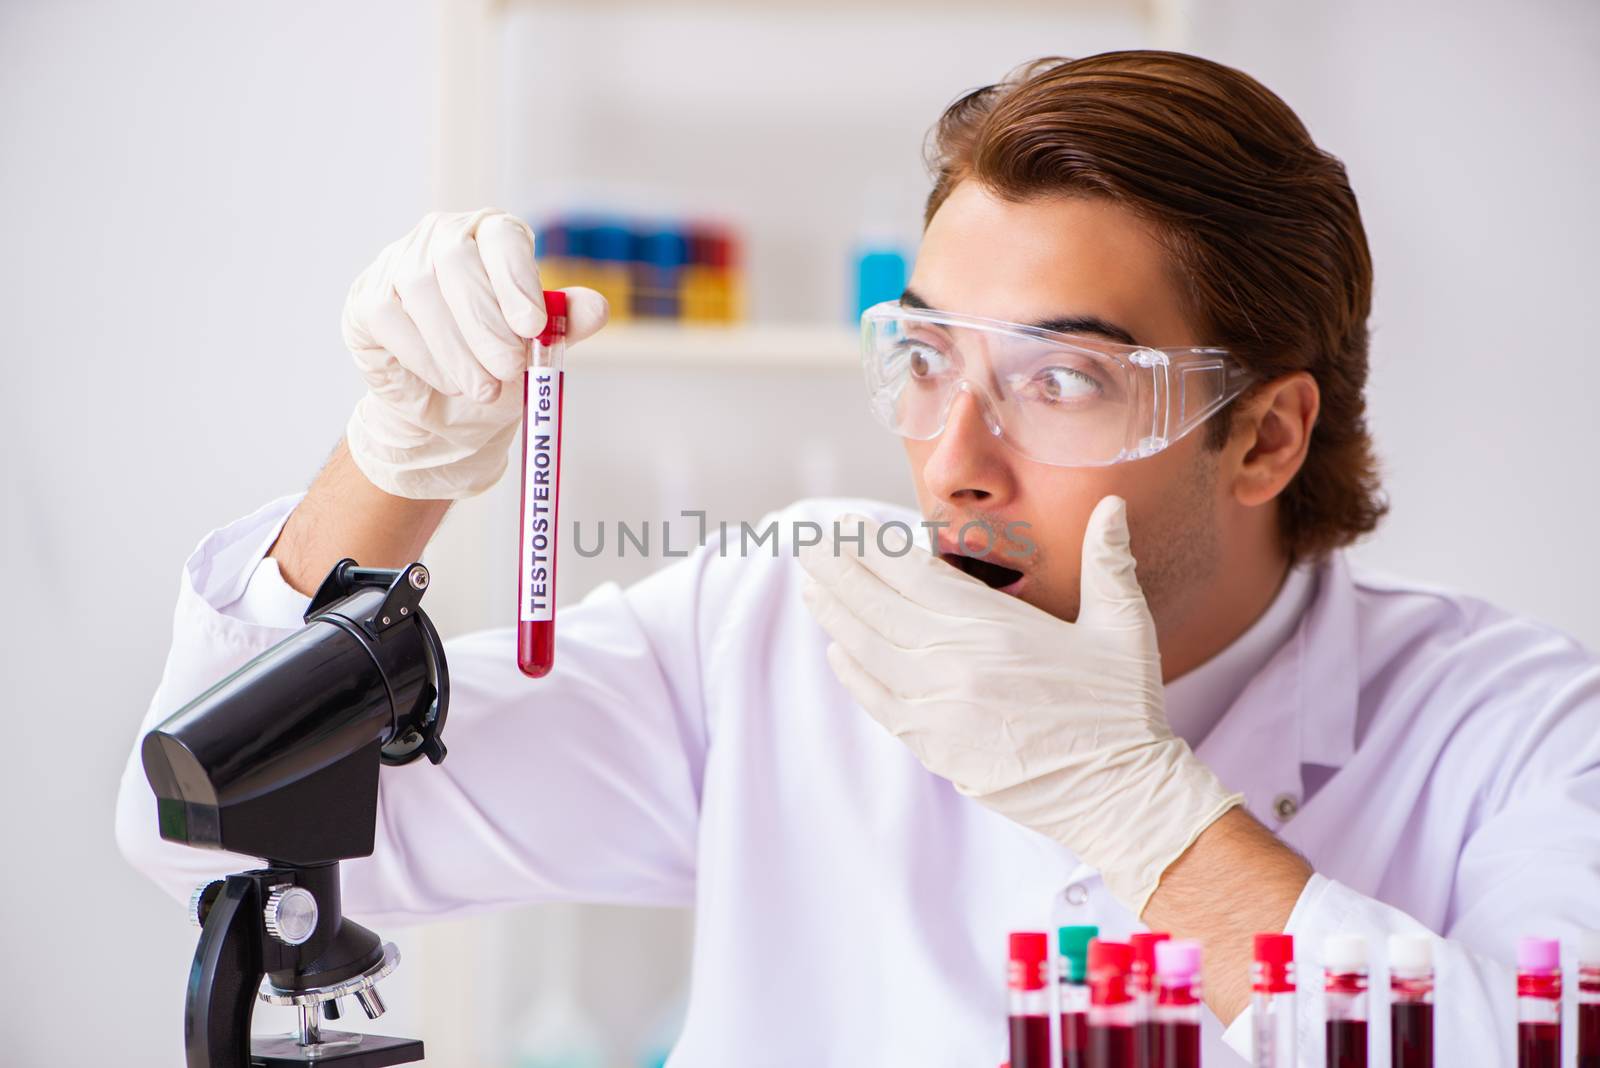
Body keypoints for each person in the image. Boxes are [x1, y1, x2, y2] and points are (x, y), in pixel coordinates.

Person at [116, 50, 1599, 1065]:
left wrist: (1150, 828)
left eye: (1061, 380)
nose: (953, 454)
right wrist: (390, 466)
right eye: (927, 356)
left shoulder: (1517, 732)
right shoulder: (783, 623)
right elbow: (202, 818)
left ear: (1267, 437)